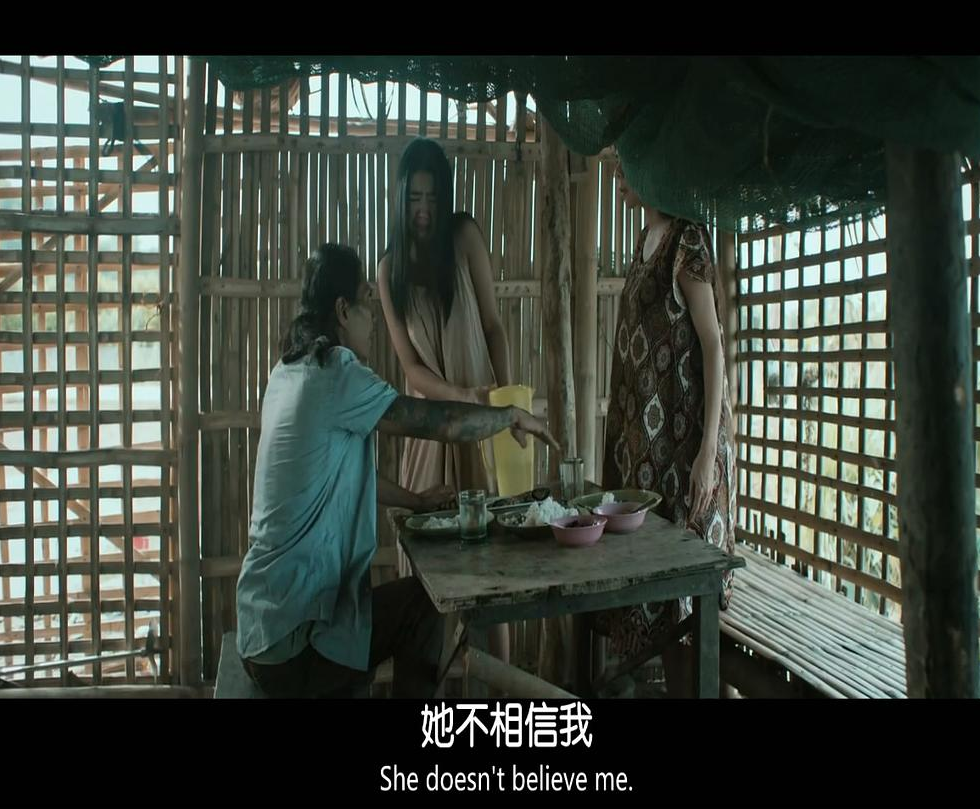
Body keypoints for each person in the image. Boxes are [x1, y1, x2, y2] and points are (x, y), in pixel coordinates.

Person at [236, 242, 556, 698]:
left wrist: (415, 500)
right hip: (295, 645)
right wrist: (509, 416)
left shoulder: (288, 373)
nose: (374, 320)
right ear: (343, 311)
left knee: (368, 619)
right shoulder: (336, 373)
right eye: (366, 303)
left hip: (261, 631)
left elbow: (339, 481)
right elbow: (440, 423)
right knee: (423, 608)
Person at [594, 160, 737, 697]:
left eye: (628, 161)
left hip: (685, 449)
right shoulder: (646, 240)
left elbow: (713, 345)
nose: (618, 171)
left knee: (687, 607)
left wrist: (707, 452)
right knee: (662, 603)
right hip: (650, 454)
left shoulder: (686, 240)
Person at [377, 137, 513, 663]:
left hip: (480, 427)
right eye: (415, 198)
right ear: (400, 198)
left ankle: (502, 689)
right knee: (425, 578)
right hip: (429, 432)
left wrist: (504, 404)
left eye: (432, 198)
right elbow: (411, 369)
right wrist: (459, 397)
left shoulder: (464, 237)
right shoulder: (389, 270)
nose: (424, 210)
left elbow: (494, 326)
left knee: (494, 571)